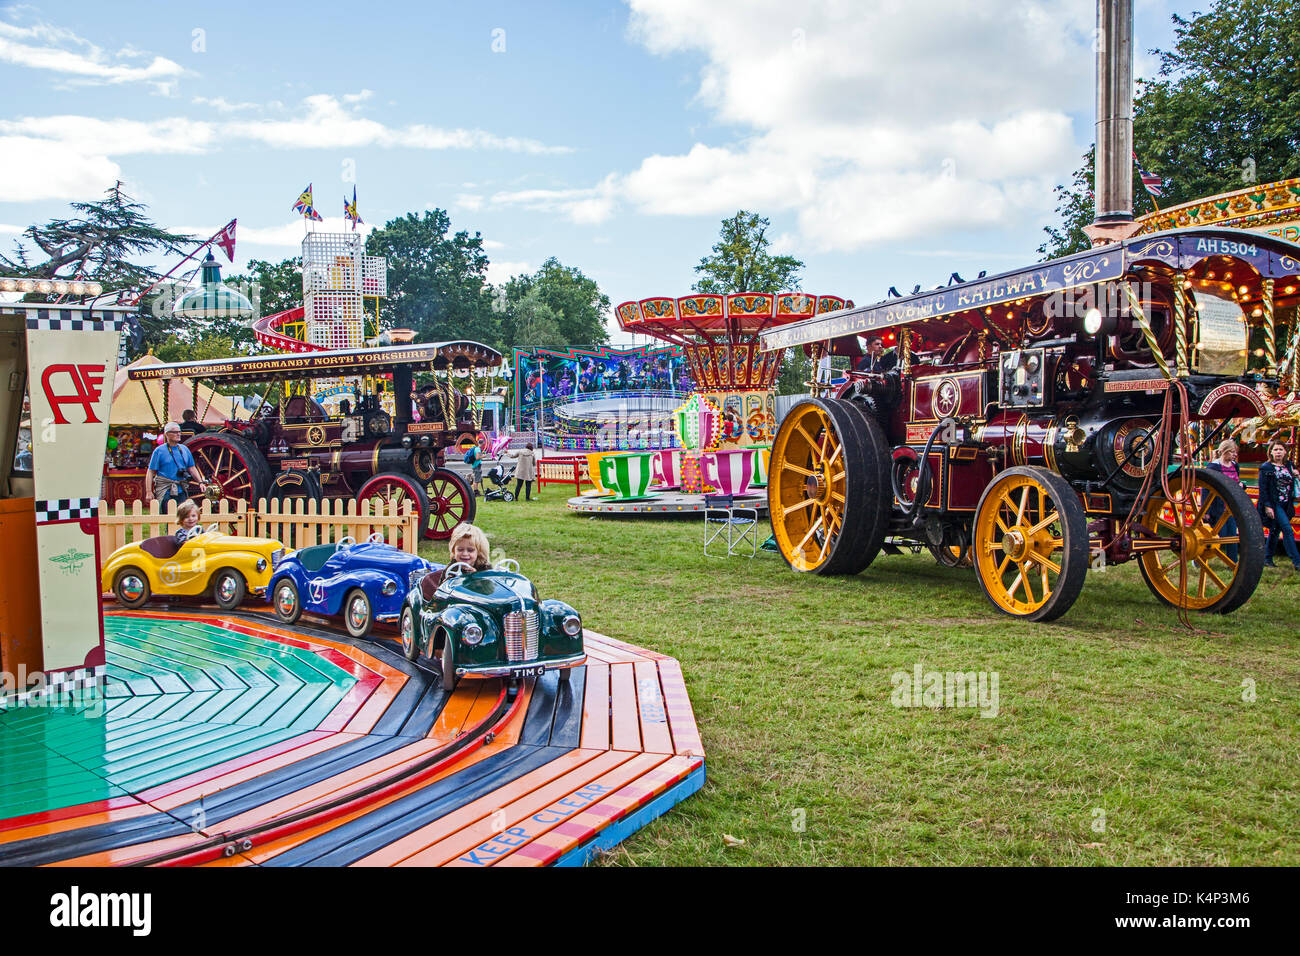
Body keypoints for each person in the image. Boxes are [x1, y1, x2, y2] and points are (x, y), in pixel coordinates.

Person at [1257, 440, 1300, 570]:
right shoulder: (1266, 467)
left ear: (1285, 452)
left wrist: (1297, 475)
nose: (1278, 452)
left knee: (1275, 531)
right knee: (1287, 529)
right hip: (1274, 503)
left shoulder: (1289, 465)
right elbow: (1263, 488)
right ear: (1270, 452)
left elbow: (1292, 483)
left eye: (1281, 449)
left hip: (1286, 503)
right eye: (1275, 450)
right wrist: (1267, 505)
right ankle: (1297, 561)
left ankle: (1267, 558)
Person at [146, 422, 206, 510]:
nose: (178, 434)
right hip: (165, 489)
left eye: (179, 431)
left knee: (182, 516)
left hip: (181, 488)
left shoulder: (185, 449)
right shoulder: (159, 451)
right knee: (169, 517)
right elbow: (150, 471)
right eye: (175, 432)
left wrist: (200, 482)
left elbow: (192, 468)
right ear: (167, 434)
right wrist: (149, 491)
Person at [1205, 438, 1243, 561]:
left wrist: (1242, 485)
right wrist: (1206, 510)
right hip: (1218, 505)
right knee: (1219, 534)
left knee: (1232, 534)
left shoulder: (1235, 466)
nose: (1234, 455)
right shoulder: (1213, 467)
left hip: (1231, 506)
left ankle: (1233, 561)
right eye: (1232, 452)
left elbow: (1237, 481)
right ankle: (1201, 556)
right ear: (1223, 451)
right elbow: (1206, 489)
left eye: (1235, 452)